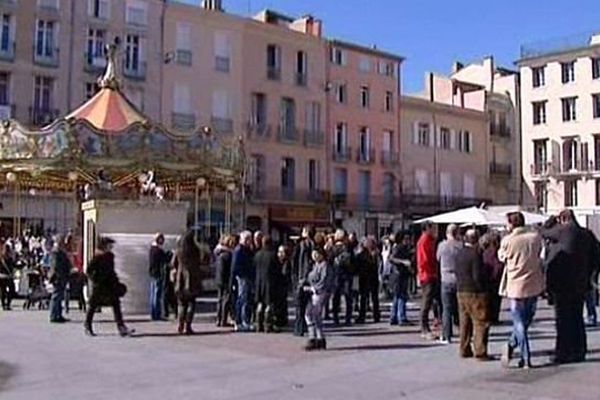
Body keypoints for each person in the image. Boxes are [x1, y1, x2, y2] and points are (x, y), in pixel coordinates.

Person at [541, 209, 600, 364]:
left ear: (563, 219)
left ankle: (563, 352)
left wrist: (550, 221)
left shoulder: (562, 231)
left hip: (562, 284)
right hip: (581, 283)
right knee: (577, 318)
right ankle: (579, 350)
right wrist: (590, 274)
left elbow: (543, 232)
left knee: (563, 320)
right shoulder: (587, 234)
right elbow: (597, 257)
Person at [498, 212, 544, 369]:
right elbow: (539, 255)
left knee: (519, 322)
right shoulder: (535, 237)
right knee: (526, 319)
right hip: (533, 283)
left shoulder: (508, 240)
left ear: (512, 224)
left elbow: (501, 257)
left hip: (516, 286)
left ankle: (525, 355)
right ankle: (511, 346)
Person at [84, 237, 133, 337]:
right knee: (93, 306)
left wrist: (117, 282)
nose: (111, 247)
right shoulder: (97, 257)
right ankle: (87, 326)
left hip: (110, 285)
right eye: (109, 245)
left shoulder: (110, 257)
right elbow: (88, 270)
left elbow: (111, 272)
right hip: (99, 286)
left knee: (116, 305)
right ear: (104, 246)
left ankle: (121, 327)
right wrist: (95, 279)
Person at [456, 229, 492, 360]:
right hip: (475, 292)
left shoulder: (459, 253)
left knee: (464, 322)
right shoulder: (475, 254)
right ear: (476, 239)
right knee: (479, 322)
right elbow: (477, 275)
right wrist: (483, 288)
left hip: (461, 290)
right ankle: (480, 351)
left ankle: (464, 348)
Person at [173, 231, 204, 335]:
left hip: (181, 279)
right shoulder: (195, 250)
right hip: (192, 279)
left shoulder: (179, 251)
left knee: (181, 304)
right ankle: (188, 326)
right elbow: (201, 261)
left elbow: (173, 263)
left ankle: (180, 325)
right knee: (191, 303)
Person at [304, 248, 335, 351]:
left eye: (317, 254)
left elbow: (324, 281)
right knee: (310, 315)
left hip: (320, 293)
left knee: (314, 314)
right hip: (312, 293)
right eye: (313, 254)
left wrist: (314, 288)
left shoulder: (325, 266)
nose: (315, 256)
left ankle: (315, 338)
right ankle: (317, 337)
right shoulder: (314, 266)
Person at [436, 224, 462, 344]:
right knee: (459, 308)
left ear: (447, 233)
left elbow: (437, 258)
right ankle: (463, 332)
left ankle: (447, 335)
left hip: (445, 279)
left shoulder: (442, 246)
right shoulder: (461, 246)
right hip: (458, 278)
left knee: (446, 308)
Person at [417, 222, 440, 340]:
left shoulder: (431, 240)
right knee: (426, 302)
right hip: (427, 275)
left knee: (434, 301)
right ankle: (424, 328)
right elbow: (424, 260)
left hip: (432, 274)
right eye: (433, 228)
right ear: (427, 228)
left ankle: (436, 323)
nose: (435, 230)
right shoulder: (424, 240)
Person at [292, 226, 315, 336]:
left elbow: (294, 262)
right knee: (306, 305)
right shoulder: (313, 245)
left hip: (302, 278)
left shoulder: (300, 245)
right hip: (309, 279)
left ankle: (299, 328)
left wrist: (295, 277)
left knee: (300, 305)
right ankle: (304, 326)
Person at [254, 236, 279, 333]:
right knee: (269, 304)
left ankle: (258, 324)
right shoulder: (272, 255)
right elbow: (277, 270)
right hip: (270, 282)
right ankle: (267, 325)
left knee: (260, 303)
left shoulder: (257, 254)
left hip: (259, 282)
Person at [330, 229, 355, 326]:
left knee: (337, 297)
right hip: (346, 275)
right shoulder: (347, 248)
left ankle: (336, 319)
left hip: (337, 275)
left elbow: (329, 261)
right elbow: (353, 262)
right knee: (348, 297)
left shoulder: (333, 248)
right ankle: (347, 319)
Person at [232, 230, 255, 332]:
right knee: (242, 300)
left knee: (245, 300)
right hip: (242, 277)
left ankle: (244, 320)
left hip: (247, 276)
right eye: (247, 239)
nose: (248, 241)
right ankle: (240, 321)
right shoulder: (239, 250)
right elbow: (236, 266)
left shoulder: (247, 250)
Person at [388, 233, 413, 325]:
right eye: (406, 238)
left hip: (402, 274)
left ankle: (393, 317)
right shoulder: (399, 247)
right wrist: (403, 262)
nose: (408, 240)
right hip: (398, 275)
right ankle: (401, 317)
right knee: (402, 295)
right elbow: (391, 258)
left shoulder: (406, 248)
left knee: (397, 296)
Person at [480, 232, 504, 324]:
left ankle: (490, 317)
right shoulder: (496, 251)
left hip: (489, 277)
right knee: (496, 299)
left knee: (490, 299)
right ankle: (494, 317)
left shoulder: (485, 251)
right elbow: (498, 264)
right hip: (495, 277)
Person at [49, 235, 73, 323]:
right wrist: (56, 275)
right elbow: (55, 266)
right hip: (58, 277)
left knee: (59, 296)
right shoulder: (56, 252)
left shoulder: (60, 251)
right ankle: (53, 315)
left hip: (62, 276)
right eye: (62, 241)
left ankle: (58, 314)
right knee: (56, 296)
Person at [356, 237, 381, 324]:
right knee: (369, 298)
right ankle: (373, 316)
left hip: (367, 278)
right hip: (369, 277)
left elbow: (358, 266)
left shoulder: (365, 254)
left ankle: (366, 316)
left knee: (368, 298)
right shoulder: (373, 254)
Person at [215, 235, 234, 327]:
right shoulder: (228, 255)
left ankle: (218, 319)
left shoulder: (218, 253)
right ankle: (223, 319)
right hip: (225, 279)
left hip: (219, 279)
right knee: (226, 300)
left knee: (219, 299)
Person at [149, 233, 168, 321]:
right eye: (162, 239)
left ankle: (153, 313)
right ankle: (157, 314)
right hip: (158, 274)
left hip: (152, 273)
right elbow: (165, 258)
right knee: (157, 295)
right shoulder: (158, 251)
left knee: (153, 294)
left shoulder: (151, 249)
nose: (163, 241)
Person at [274, 245, 291, 328]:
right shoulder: (277, 261)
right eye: (279, 252)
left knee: (282, 302)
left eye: (282, 252)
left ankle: (282, 319)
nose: (279, 254)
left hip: (283, 285)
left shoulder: (287, 262)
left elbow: (285, 274)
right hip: (278, 285)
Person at [0, 242, 15, 311]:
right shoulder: (2, 259)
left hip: (8, 276)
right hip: (3, 276)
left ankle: (6, 304)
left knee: (8, 290)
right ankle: (5, 305)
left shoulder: (9, 258)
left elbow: (13, 266)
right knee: (4, 291)